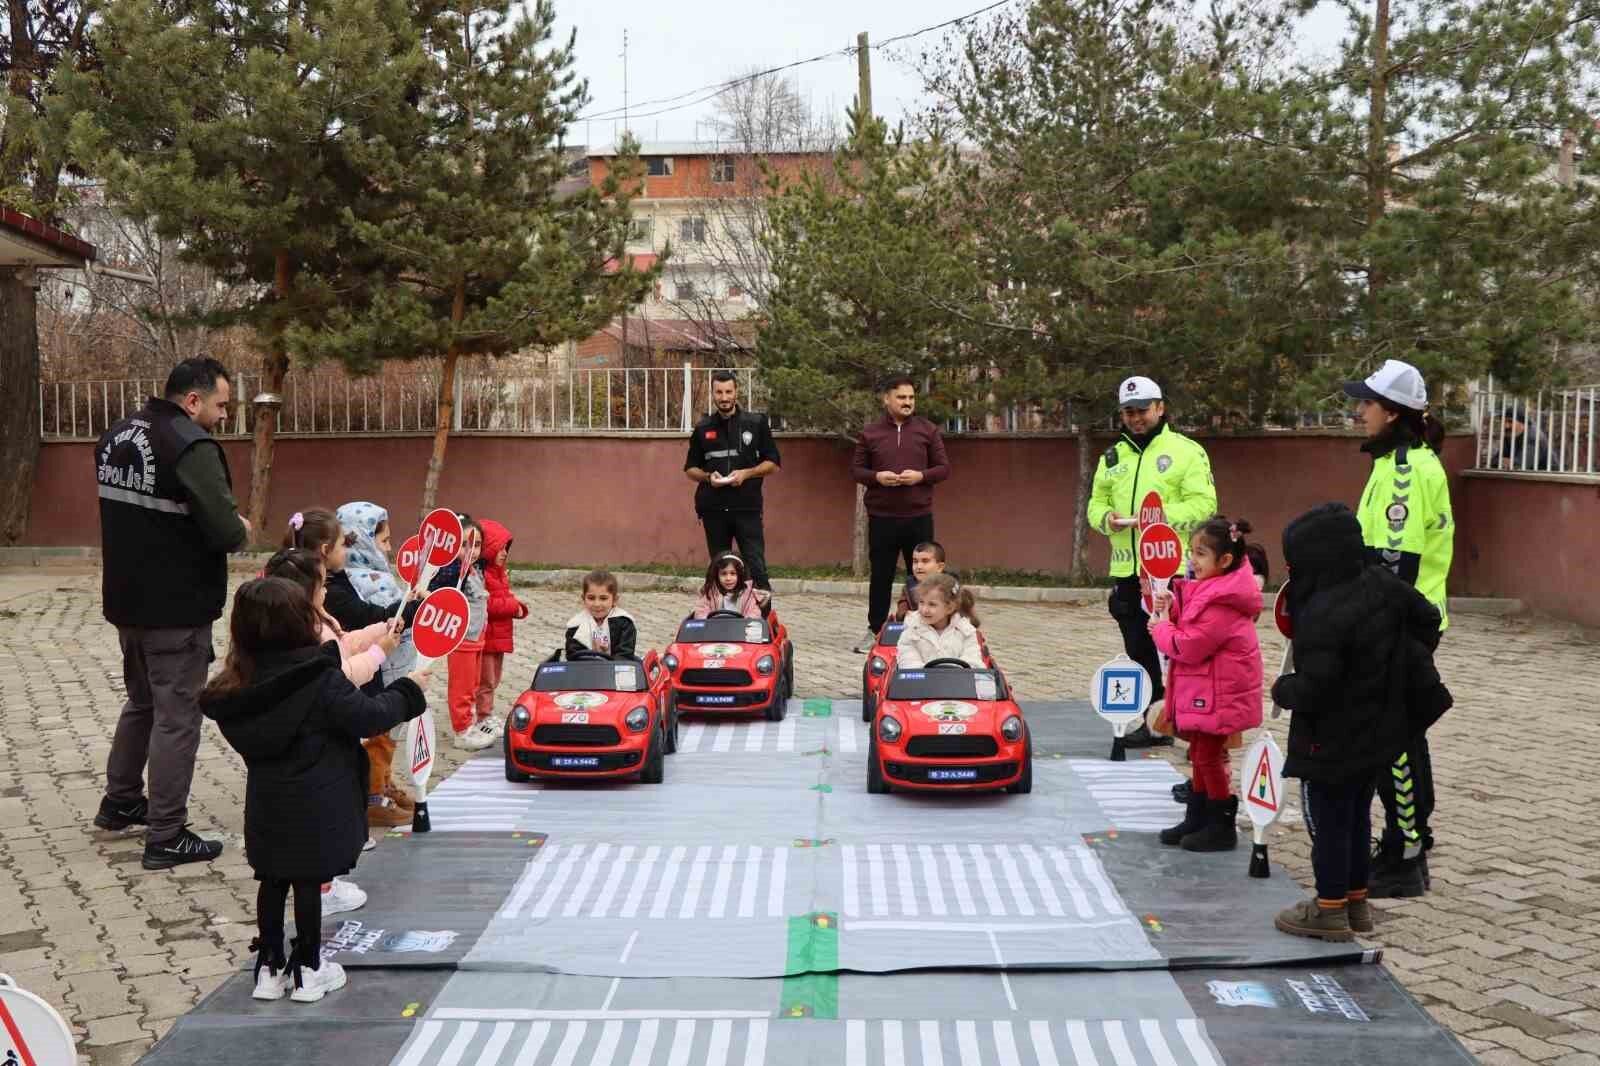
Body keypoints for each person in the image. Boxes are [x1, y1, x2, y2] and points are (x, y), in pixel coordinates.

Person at [200, 578, 430, 1002]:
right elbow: (369, 716)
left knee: (271, 880)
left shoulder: (238, 685)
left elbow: (289, 684)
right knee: (307, 882)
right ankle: (309, 967)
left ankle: (268, 968)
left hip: (268, 803)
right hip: (317, 801)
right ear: (299, 625)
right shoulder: (320, 682)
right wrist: (409, 689)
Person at [93, 356, 249, 871]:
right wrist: (241, 526)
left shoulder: (118, 435)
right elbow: (226, 531)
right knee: (177, 719)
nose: (225, 416)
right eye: (222, 405)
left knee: (141, 703)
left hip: (127, 604)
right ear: (193, 400)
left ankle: (119, 802)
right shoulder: (189, 444)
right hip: (175, 610)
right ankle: (166, 834)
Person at [1269, 503, 1450, 941]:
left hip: (1328, 738)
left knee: (1328, 822)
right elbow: (1428, 619)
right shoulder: (1384, 584)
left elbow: (1316, 688)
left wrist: (1283, 690)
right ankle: (1356, 903)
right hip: (1376, 730)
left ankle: (1328, 908)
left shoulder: (1321, 610)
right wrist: (1396, 664)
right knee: (1356, 816)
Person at [1344, 359, 1453, 897]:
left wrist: (1360, 622)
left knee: (1395, 740)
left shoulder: (1409, 468)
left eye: (1366, 403)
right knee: (1399, 735)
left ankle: (1405, 856)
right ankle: (1408, 840)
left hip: (1401, 623)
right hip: (1395, 619)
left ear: (1391, 412)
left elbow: (1394, 566)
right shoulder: (1391, 462)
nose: (1358, 411)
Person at [261, 548, 396, 917]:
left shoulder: (298, 622)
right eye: (323, 584)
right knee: (319, 826)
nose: (327, 591)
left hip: (290, 770)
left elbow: (344, 646)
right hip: (319, 752)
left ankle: (318, 886)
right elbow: (337, 677)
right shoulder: (308, 633)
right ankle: (321, 891)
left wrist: (387, 627)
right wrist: (381, 655)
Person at [1086, 375, 1216, 748]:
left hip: (1170, 571)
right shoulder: (1112, 457)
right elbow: (1096, 503)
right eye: (1128, 412)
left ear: (1160, 408)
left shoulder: (1186, 451)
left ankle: (1191, 724)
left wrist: (1158, 517)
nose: (1136, 418)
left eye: (1143, 410)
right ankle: (1154, 721)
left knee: (1179, 651)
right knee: (1139, 649)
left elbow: (1204, 505)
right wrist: (1105, 518)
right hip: (1127, 569)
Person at [1148, 517, 1265, 852]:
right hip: (1206, 690)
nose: (1192, 561)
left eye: (1200, 554)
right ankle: (1198, 816)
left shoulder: (1223, 601)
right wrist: (1171, 607)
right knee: (1199, 752)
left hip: (1219, 694)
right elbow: (1190, 621)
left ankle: (1220, 824)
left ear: (1225, 561)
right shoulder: (1215, 590)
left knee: (1209, 755)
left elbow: (1190, 644)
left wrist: (1160, 629)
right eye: (1191, 552)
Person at [850, 374, 952, 652]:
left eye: (911, 398)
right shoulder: (869, 433)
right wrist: (876, 477)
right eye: (902, 397)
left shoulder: (928, 430)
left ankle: (927, 630)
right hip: (882, 518)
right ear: (887, 399)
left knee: (922, 578)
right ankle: (875, 630)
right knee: (880, 577)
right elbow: (856, 470)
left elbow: (943, 468)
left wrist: (920, 475)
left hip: (918, 517)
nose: (908, 403)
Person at [336, 501, 418, 820]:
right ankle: (372, 797)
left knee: (388, 731)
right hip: (377, 668)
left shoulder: (362, 576)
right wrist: (409, 609)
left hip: (386, 664)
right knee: (379, 731)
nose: (389, 547)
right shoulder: (359, 581)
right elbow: (383, 616)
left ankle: (382, 782)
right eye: (383, 540)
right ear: (364, 540)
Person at [684, 370, 782, 591]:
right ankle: (723, 620)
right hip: (714, 509)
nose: (724, 397)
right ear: (713, 394)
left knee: (756, 569)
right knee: (720, 571)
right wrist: (709, 477)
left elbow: (774, 464)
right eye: (719, 392)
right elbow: (690, 469)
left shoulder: (756, 423)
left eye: (728, 391)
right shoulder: (703, 428)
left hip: (747, 508)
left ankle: (762, 621)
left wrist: (746, 474)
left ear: (736, 392)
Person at [428, 517, 491, 750]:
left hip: (477, 637)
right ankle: (461, 731)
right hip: (461, 639)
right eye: (464, 544)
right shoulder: (453, 571)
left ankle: (470, 723)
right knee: (462, 687)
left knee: (473, 684)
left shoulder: (476, 568)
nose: (471, 551)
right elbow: (434, 592)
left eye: (476, 544)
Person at [479, 519, 527, 734]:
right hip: (487, 638)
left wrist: (519, 608)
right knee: (485, 680)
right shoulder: (482, 575)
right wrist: (512, 606)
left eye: (506, 548)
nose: (504, 553)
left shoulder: (499, 574)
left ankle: (486, 714)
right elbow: (487, 604)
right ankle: (482, 717)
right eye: (500, 548)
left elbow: (504, 599)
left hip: (498, 637)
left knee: (494, 679)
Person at [895, 573, 984, 669]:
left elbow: (973, 662)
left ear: (949, 608)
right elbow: (908, 663)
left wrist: (949, 674)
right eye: (921, 602)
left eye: (932, 604)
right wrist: (933, 675)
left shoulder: (966, 631)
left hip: (957, 682)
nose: (924, 610)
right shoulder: (911, 631)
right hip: (923, 683)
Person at [563, 570, 638, 660]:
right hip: (587, 670)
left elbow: (625, 654)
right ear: (583, 599)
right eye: (591, 598)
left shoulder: (624, 623)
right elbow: (573, 655)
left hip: (615, 670)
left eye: (603, 598)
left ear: (614, 600)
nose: (597, 604)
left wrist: (606, 659)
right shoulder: (576, 625)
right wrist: (593, 655)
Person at [692, 553, 766, 619]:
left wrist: (746, 621)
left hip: (740, 630)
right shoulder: (712, 592)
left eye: (733, 573)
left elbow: (754, 612)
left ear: (740, 575)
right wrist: (707, 619)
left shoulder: (748, 594)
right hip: (715, 629)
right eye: (723, 574)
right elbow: (700, 610)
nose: (728, 578)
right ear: (717, 575)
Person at [892, 541, 947, 623]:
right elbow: (902, 608)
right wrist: (904, 614)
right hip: (916, 627)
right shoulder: (909, 586)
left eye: (925, 561)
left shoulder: (949, 587)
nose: (919, 566)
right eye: (915, 561)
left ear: (940, 567)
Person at [1498, 400, 1552, 472]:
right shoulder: (1510, 435)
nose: (1506, 426)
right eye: (1503, 421)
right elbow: (1495, 460)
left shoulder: (1534, 438)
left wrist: (1508, 462)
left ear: (1523, 423)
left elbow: (1519, 465)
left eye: (1510, 421)